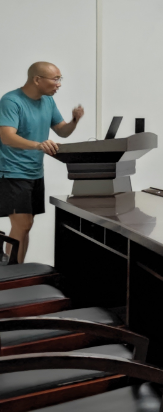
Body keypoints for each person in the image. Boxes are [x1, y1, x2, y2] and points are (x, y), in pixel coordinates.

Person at [0, 62, 84, 262]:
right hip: (12, 172)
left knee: (26, 226)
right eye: (56, 79)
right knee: (22, 224)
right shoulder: (11, 101)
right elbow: (6, 137)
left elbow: (62, 130)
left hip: (35, 172)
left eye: (60, 79)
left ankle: (18, 270)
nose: (59, 84)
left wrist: (74, 121)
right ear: (37, 80)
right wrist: (38, 145)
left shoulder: (48, 101)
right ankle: (11, 274)